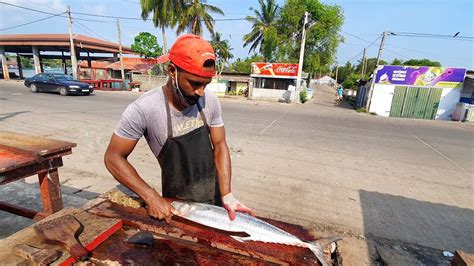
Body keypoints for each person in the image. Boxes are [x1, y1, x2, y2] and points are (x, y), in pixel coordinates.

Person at [104, 34, 254, 223]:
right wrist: (150, 196)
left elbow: (220, 145)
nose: (200, 92)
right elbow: (113, 157)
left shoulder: (210, 101)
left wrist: (227, 195)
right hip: (177, 209)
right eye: (194, 83)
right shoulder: (144, 109)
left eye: (205, 85)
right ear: (172, 71)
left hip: (214, 202)